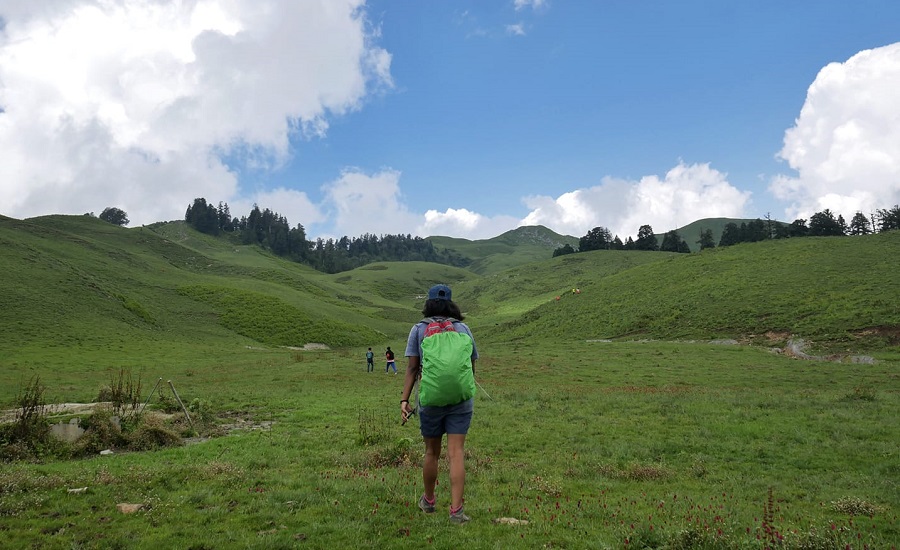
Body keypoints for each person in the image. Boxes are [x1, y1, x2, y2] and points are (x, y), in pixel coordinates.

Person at [400, 284, 478, 524]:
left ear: (428, 303)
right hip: (461, 399)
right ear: (451, 304)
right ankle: (456, 512)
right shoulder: (463, 328)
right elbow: (471, 365)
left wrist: (404, 400)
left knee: (432, 452)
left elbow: (413, 368)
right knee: (456, 453)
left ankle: (429, 501)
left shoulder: (418, 330)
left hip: (431, 399)